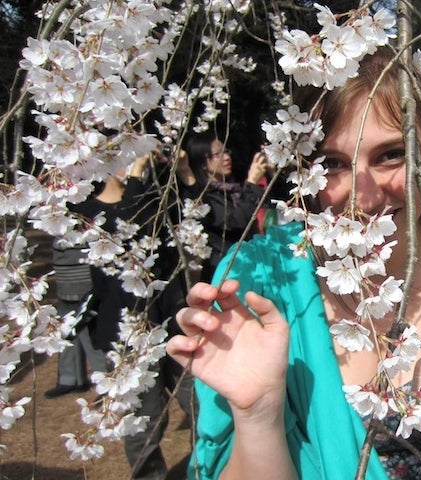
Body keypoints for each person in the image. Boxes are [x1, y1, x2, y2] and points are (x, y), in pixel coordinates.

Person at [167, 49, 421, 480]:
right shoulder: (260, 285)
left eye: (391, 154)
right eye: (333, 163)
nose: (364, 198)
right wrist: (258, 415)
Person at [73, 154, 196, 480]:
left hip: (170, 320)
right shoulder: (89, 215)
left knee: (202, 405)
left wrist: (183, 173)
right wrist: (138, 177)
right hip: (126, 334)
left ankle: (208, 469)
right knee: (146, 420)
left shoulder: (150, 200)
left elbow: (194, 224)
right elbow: (128, 233)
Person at [180, 134, 270, 282]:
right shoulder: (200, 199)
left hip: (253, 265)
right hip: (226, 272)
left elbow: (270, 205)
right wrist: (252, 183)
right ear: (203, 162)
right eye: (218, 154)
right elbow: (237, 222)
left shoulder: (234, 189)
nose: (226, 157)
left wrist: (271, 172)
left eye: (226, 151)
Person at [44, 238, 107, 399]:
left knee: (88, 330)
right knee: (65, 330)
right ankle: (70, 379)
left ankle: (104, 381)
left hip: (86, 275)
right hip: (64, 276)